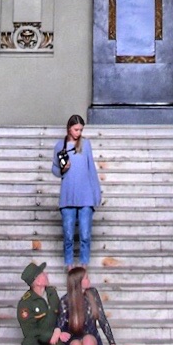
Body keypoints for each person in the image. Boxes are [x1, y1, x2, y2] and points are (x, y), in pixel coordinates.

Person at [53, 114, 102, 268]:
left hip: (86, 196)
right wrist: (63, 169)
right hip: (68, 196)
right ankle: (69, 267)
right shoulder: (60, 146)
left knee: (85, 235)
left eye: (81, 130)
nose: (78, 133)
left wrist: (97, 193)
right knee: (68, 235)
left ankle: (83, 267)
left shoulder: (86, 145)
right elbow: (54, 170)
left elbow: (91, 169)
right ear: (69, 128)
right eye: (76, 129)